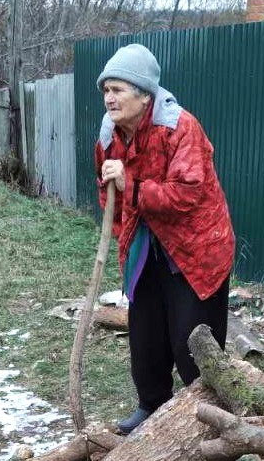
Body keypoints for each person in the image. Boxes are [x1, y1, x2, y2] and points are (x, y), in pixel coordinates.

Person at [94, 44, 235, 434]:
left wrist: (132, 187)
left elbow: (187, 194)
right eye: (105, 89)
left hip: (196, 247)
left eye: (118, 89)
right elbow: (110, 194)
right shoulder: (110, 136)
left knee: (192, 338)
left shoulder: (179, 128)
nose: (109, 98)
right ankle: (151, 406)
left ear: (144, 94)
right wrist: (125, 237)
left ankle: (204, 417)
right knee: (146, 332)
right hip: (147, 245)